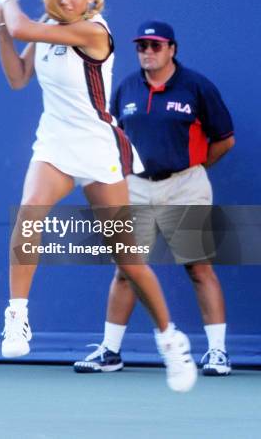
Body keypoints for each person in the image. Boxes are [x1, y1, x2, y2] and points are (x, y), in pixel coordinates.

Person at [0, 0, 197, 392]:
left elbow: (22, 27)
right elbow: (17, 77)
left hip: (98, 148)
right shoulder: (46, 23)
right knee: (30, 214)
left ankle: (170, 339)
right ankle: (17, 317)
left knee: (128, 260)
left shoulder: (95, 32)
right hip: (54, 144)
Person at [74, 20, 235, 377]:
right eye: (142, 46)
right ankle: (110, 352)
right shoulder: (127, 88)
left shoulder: (196, 87)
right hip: (136, 186)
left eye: (156, 46)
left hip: (186, 185)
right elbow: (113, 135)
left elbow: (224, 139)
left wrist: (189, 168)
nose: (148, 52)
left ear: (172, 49)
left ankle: (218, 352)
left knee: (199, 267)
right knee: (126, 270)